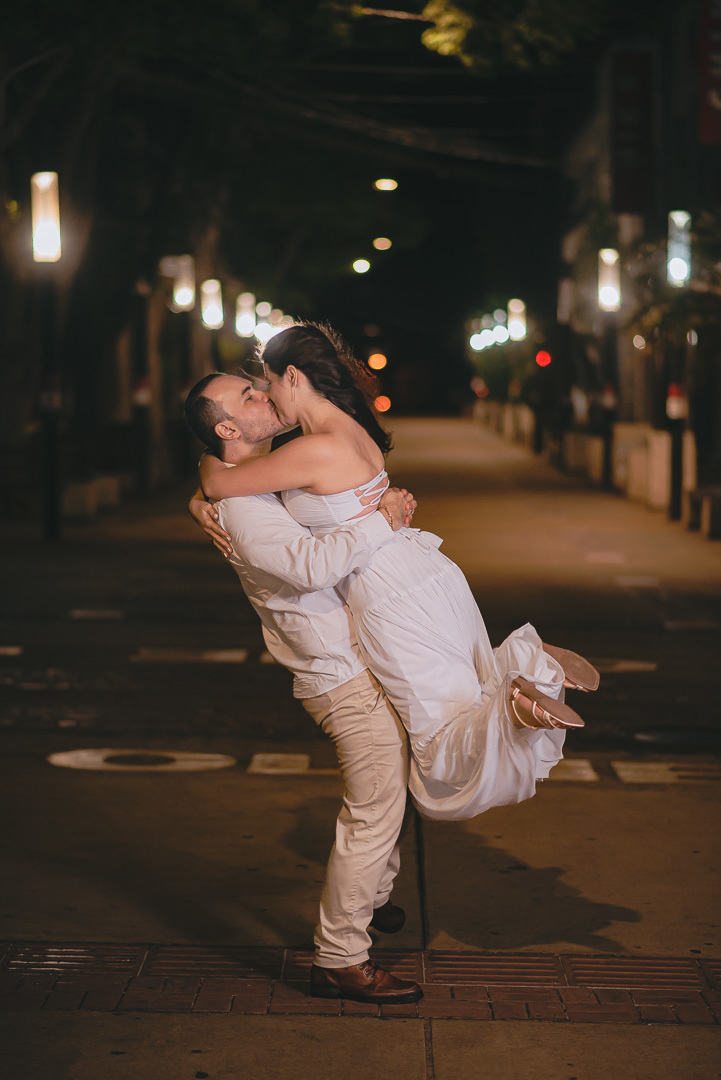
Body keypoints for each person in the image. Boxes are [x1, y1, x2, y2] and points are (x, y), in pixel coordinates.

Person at [199, 323, 600, 825]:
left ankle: (526, 691)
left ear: (294, 377)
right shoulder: (350, 424)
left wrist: (202, 490)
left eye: (270, 383)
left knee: (434, 731)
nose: (267, 394)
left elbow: (220, 477)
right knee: (458, 694)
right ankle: (526, 682)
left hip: (388, 591)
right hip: (425, 571)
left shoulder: (308, 450)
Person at [185, 371, 423, 1005]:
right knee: (375, 807)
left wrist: (203, 480)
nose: (266, 395)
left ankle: (368, 898)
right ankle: (341, 957)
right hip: (337, 676)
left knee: (395, 784)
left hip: (356, 660)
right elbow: (314, 565)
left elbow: (224, 472)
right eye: (249, 395)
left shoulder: (250, 483)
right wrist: (385, 519)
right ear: (229, 427)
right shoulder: (242, 508)